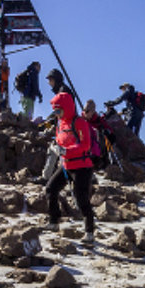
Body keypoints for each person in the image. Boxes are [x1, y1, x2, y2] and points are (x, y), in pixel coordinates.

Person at [46, 92, 99, 240]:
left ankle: (89, 232)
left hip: (82, 166)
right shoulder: (60, 124)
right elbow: (60, 141)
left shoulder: (79, 122)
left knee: (81, 198)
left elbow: (85, 144)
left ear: (67, 107)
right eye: (55, 111)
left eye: (58, 110)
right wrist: (56, 147)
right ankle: (53, 221)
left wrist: (66, 151)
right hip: (66, 165)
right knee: (50, 188)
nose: (56, 114)